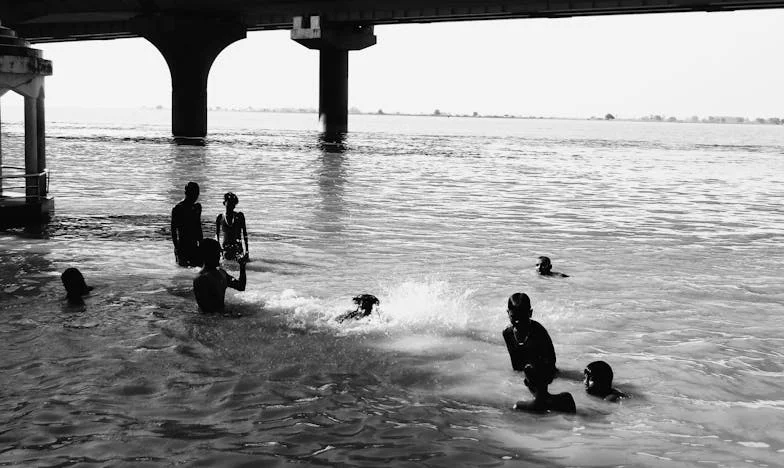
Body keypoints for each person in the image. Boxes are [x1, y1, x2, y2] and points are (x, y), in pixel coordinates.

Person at [502, 292, 557, 382]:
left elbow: (551, 362)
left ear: (530, 313)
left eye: (522, 317)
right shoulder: (507, 333)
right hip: (525, 378)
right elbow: (516, 366)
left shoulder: (539, 332)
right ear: (508, 313)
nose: (518, 321)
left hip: (543, 377)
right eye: (513, 317)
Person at [193, 238, 247, 314]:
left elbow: (241, 286)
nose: (219, 257)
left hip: (220, 316)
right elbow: (206, 311)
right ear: (206, 255)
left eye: (219, 253)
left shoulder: (221, 273)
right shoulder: (201, 279)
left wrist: (242, 267)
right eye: (216, 253)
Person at [171, 182, 204, 267]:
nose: (195, 197)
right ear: (186, 193)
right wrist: (176, 248)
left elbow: (198, 227)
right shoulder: (178, 208)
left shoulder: (197, 207)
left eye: (197, 194)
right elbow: (173, 230)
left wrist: (202, 245)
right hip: (182, 246)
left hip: (195, 245)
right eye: (193, 194)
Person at [215, 192, 249, 261]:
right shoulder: (220, 217)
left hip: (237, 249)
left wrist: (247, 252)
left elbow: (245, 234)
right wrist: (219, 248)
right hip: (225, 249)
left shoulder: (239, 216)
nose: (231, 205)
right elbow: (217, 235)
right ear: (224, 203)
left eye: (233, 203)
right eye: (229, 202)